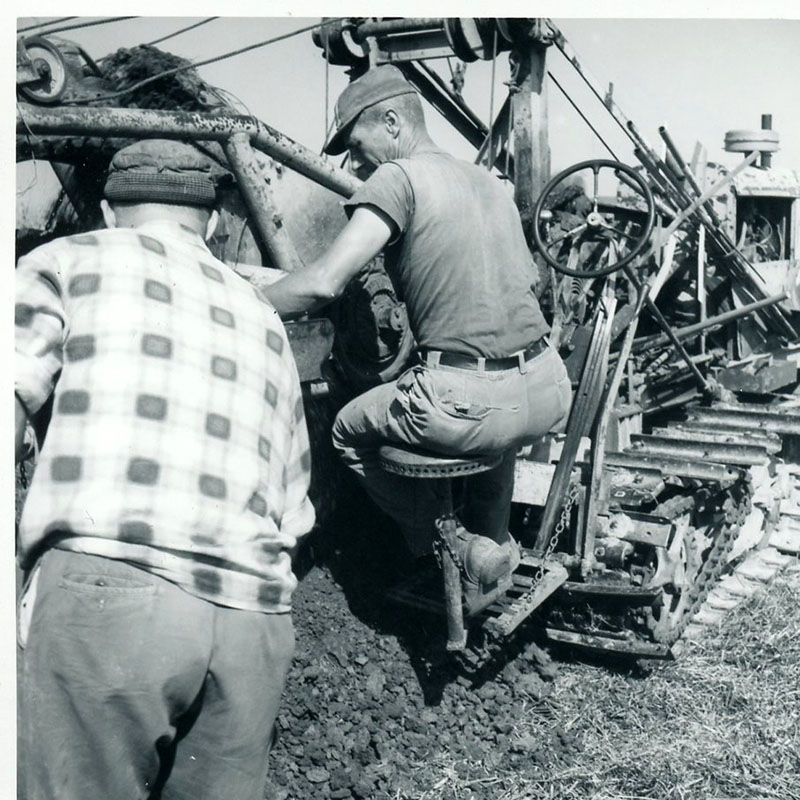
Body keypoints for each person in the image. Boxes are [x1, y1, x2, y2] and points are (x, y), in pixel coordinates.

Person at [14, 139, 315, 799]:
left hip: (113, 593)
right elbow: (294, 507)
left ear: (106, 210)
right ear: (210, 222)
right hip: (253, 625)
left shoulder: (66, 260)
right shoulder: (263, 315)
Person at [265, 65, 571, 613]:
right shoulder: (490, 183)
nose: (352, 164)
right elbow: (525, 283)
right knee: (494, 435)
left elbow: (324, 281)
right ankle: (493, 551)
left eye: (356, 146)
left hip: (469, 403)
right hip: (547, 387)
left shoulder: (397, 179)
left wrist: (232, 296)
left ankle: (448, 543)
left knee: (347, 429)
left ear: (391, 121)